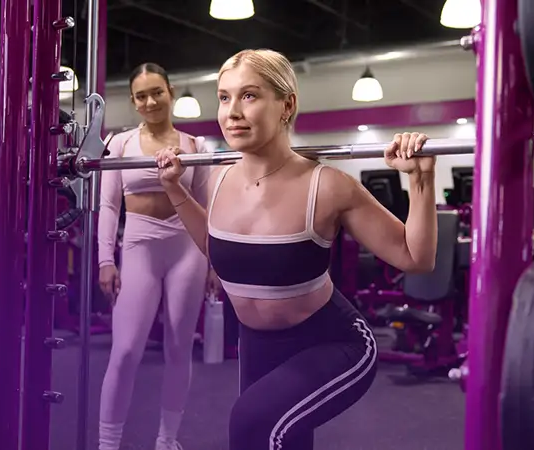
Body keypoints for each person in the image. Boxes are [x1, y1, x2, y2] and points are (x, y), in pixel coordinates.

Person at [155, 49, 438, 450]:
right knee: (277, 440)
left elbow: (416, 258)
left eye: (249, 96)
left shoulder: (327, 185)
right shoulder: (217, 178)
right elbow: (215, 247)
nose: (232, 112)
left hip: (333, 343)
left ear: (286, 105)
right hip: (257, 345)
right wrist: (173, 189)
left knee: (251, 425)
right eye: (224, 97)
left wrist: (420, 180)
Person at [97, 62, 217, 450]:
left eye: (157, 92)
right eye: (141, 96)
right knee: (125, 350)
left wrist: (214, 262)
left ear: (171, 92)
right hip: (139, 247)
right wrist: (105, 259)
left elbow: (206, 207)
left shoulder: (195, 146)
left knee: (179, 349)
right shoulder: (120, 144)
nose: (150, 102)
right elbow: (109, 206)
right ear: (133, 102)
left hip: (187, 249)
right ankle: (107, 444)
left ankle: (167, 440)